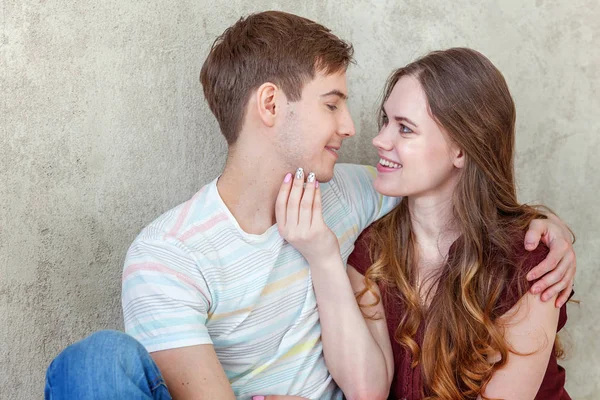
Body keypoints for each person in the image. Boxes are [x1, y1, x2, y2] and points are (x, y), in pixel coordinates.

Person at [45, 12, 576, 400]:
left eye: (401, 127)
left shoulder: (356, 194)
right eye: (333, 104)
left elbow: (466, 198)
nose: (359, 131)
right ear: (271, 105)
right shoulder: (167, 255)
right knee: (95, 364)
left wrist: (549, 229)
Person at [277, 47, 575, 399]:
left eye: (405, 129)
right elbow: (365, 389)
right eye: (386, 121)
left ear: (461, 150)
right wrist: (323, 257)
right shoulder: (373, 250)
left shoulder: (530, 264)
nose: (379, 139)